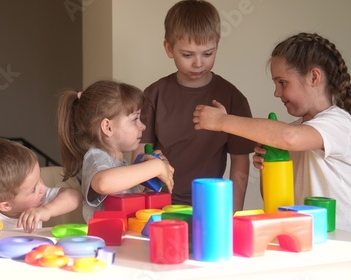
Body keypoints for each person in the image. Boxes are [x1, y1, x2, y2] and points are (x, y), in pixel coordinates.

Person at [193, 32, 351, 231]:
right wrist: (268, 167)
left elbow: (289, 137)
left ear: (314, 77)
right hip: (307, 238)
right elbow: (271, 197)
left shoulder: (339, 123)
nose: (276, 92)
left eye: (282, 83)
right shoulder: (295, 130)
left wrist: (223, 121)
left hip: (341, 244)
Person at [132, 0, 255, 212]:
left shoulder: (233, 98)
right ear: (169, 49)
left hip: (210, 205)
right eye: (188, 55)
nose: (198, 63)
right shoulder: (154, 95)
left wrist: (234, 214)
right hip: (159, 204)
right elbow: (139, 155)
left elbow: (240, 164)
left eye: (208, 53)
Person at [57, 80, 175, 222]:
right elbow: (103, 183)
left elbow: (131, 203)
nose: (142, 126)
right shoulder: (96, 158)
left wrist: (152, 179)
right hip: (104, 242)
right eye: (135, 119)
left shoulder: (121, 164)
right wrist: (154, 167)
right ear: (108, 127)